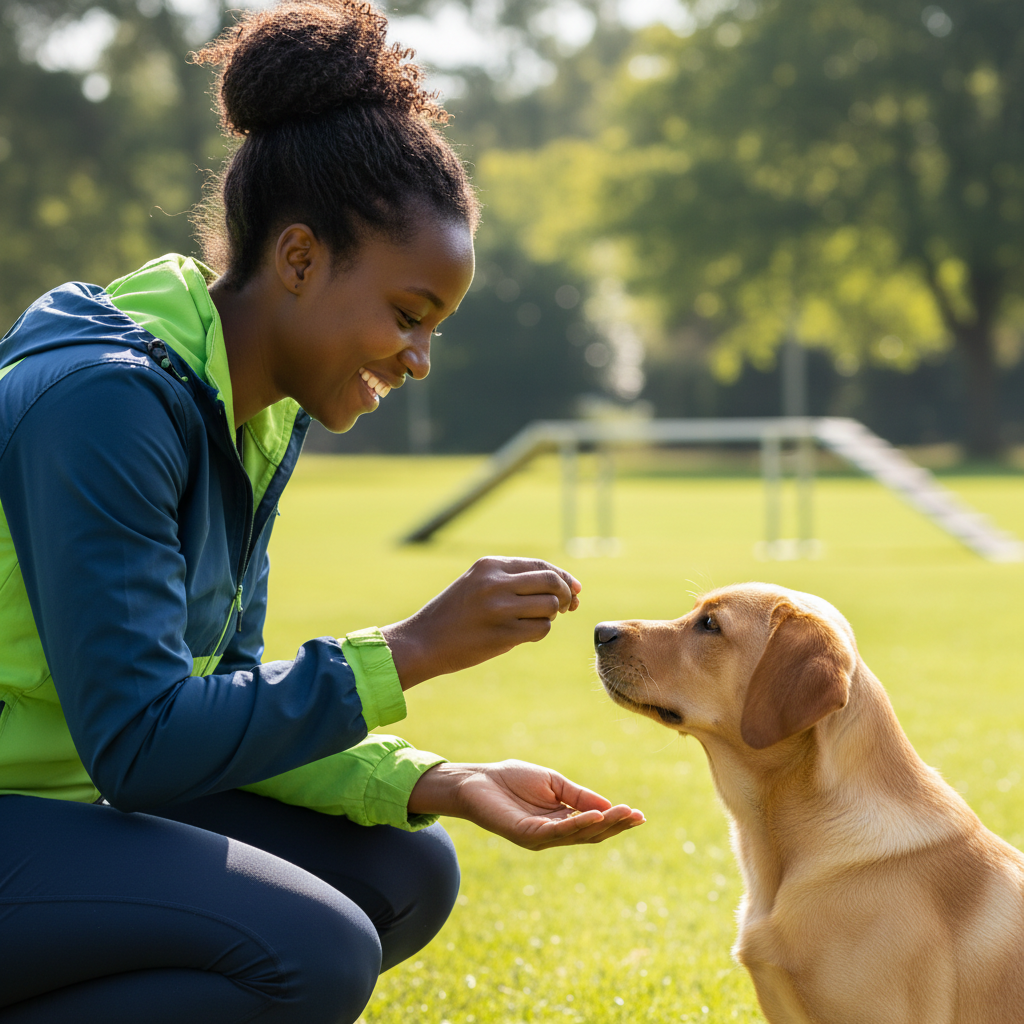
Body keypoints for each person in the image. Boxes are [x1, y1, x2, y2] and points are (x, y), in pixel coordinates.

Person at [0, 2, 644, 1022]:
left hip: (57, 804)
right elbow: (141, 741)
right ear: (298, 260)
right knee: (310, 948)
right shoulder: (105, 402)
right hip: (35, 803)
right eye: (407, 314)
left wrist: (436, 776)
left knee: (403, 868)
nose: (418, 359)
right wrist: (413, 648)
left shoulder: (255, 415)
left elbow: (219, 696)